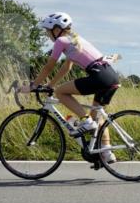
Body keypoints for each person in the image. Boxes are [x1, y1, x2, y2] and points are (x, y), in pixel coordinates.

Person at [24, 12, 118, 164]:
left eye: (48, 31)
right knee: (98, 116)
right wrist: (50, 85)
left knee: (60, 92)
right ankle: (107, 153)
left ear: (56, 29)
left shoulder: (61, 41)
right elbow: (66, 68)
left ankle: (85, 120)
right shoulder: (74, 40)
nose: (47, 34)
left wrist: (33, 85)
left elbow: (49, 67)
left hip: (99, 76)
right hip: (111, 76)